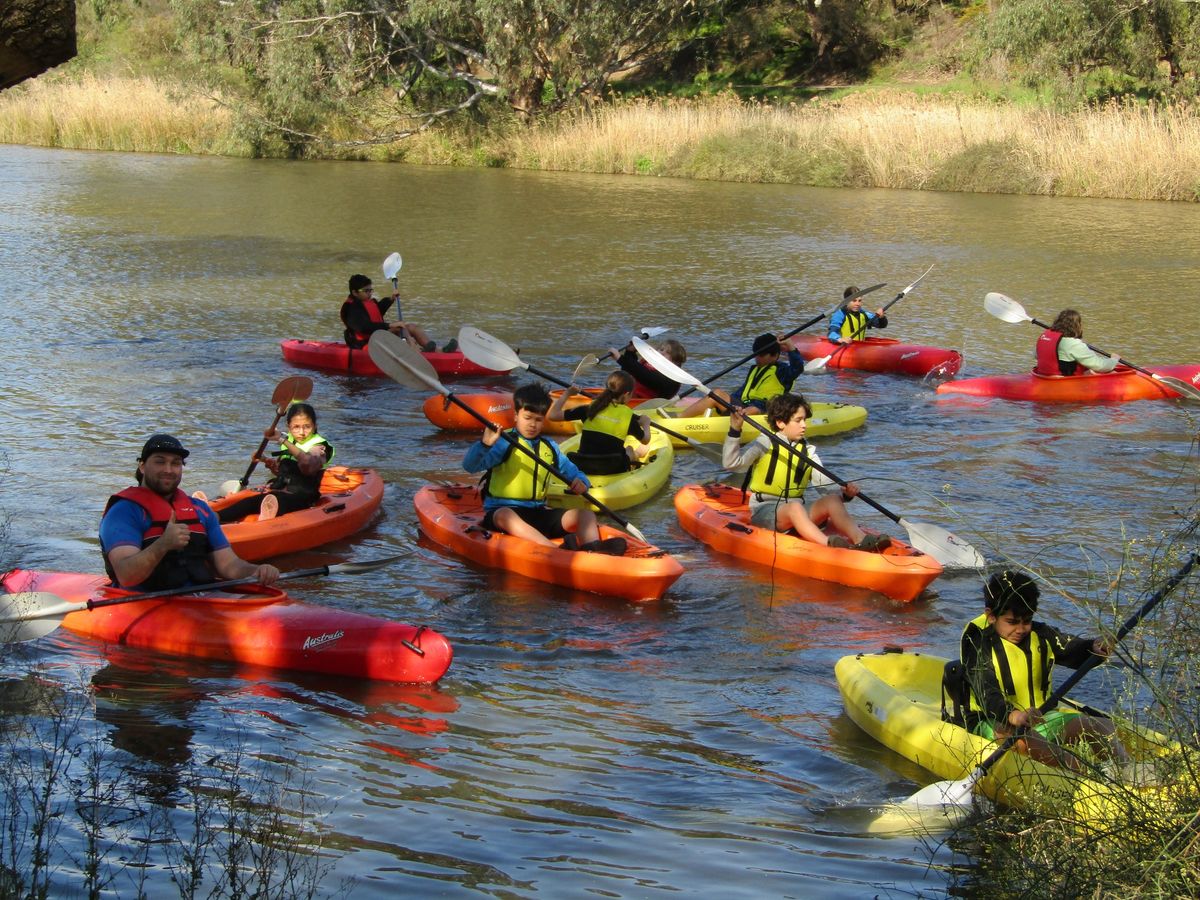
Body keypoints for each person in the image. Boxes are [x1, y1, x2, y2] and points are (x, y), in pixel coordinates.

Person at [960, 571, 1130, 772]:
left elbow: (1072, 648)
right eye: (1012, 622)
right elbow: (985, 690)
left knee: (1103, 727)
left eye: (1027, 620)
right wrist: (1012, 715)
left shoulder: (1040, 634)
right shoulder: (977, 641)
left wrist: (1093, 647)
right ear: (991, 616)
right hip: (993, 722)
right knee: (1026, 741)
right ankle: (1087, 778)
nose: (1021, 629)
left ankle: (1126, 772)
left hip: (1040, 718)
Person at [463, 383, 627, 556]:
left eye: (538, 420)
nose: (532, 424)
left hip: (538, 513)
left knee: (585, 515)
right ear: (516, 416)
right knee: (505, 515)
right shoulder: (504, 442)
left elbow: (572, 471)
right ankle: (554, 550)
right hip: (503, 514)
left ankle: (593, 549)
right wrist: (484, 444)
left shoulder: (549, 447)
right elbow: (470, 466)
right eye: (528, 418)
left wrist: (582, 482)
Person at [99, 434, 279, 591]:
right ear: (143, 466)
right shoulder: (123, 511)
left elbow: (228, 566)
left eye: (175, 463)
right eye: (160, 461)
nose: (168, 470)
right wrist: (163, 544)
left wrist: (256, 571)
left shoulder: (200, 510)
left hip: (200, 597)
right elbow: (126, 575)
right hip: (144, 600)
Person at [722, 393, 890, 551]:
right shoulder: (764, 442)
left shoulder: (808, 451)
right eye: (798, 420)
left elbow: (826, 487)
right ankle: (828, 544)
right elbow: (732, 464)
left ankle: (861, 540)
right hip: (766, 512)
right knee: (794, 507)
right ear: (781, 423)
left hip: (798, 512)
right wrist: (734, 430)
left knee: (831, 500)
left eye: (805, 420)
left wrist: (846, 494)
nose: (804, 425)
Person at [216, 403, 334, 523]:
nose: (302, 432)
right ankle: (214, 517)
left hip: (303, 499)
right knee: (248, 502)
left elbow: (307, 466)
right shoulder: (290, 440)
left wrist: (281, 439)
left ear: (314, 426)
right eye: (296, 427)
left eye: (307, 427)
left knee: (276, 501)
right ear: (289, 426)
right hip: (281, 492)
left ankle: (264, 523)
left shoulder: (320, 446)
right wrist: (265, 460)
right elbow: (284, 473)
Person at [547, 371, 652, 475]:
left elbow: (552, 415)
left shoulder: (589, 409)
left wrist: (567, 394)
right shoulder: (628, 417)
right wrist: (645, 423)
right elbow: (645, 440)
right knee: (629, 449)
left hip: (582, 464)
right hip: (612, 468)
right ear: (626, 394)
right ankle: (638, 453)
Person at [681, 332, 805, 418]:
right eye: (756, 354)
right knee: (717, 393)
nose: (757, 358)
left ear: (775, 355)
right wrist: (726, 401)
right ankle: (678, 419)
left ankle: (735, 420)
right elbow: (742, 392)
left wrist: (790, 346)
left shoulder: (783, 372)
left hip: (766, 410)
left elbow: (798, 367)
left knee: (753, 409)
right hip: (743, 407)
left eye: (761, 355)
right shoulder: (755, 370)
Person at [340, 273, 454, 353]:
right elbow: (363, 327)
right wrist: (389, 325)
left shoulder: (368, 302)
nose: (370, 293)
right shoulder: (350, 309)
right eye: (366, 291)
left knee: (411, 327)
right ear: (354, 292)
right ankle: (416, 352)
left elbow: (377, 311)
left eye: (370, 290)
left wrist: (391, 299)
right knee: (400, 328)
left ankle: (436, 350)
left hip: (378, 337)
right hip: (365, 344)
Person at [1034, 309, 1119, 376]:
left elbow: (1036, 356)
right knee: (1113, 373)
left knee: (1085, 368)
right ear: (1076, 325)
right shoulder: (1074, 344)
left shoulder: (1045, 336)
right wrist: (1114, 360)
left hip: (1043, 376)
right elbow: (1100, 366)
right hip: (1063, 381)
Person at [610, 338, 688, 400]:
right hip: (628, 397)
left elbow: (645, 376)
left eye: (668, 353)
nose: (662, 353)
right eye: (661, 349)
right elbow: (628, 373)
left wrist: (620, 359)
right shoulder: (647, 364)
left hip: (645, 405)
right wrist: (630, 352)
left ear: (675, 362)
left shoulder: (671, 378)